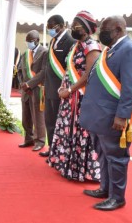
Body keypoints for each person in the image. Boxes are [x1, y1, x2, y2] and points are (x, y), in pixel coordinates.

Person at [80, 15, 132, 211]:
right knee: (103, 154)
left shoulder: (130, 49)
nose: (101, 33)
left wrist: (122, 115)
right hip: (99, 117)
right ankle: (105, 188)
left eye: (105, 30)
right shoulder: (110, 50)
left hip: (114, 117)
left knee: (116, 158)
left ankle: (117, 197)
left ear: (118, 29)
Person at [47, 11, 101, 182]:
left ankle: (82, 170)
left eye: (76, 26)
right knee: (68, 130)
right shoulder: (75, 46)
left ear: (85, 29)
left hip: (81, 98)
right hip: (69, 97)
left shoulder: (92, 47)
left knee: (81, 132)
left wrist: (69, 90)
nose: (72, 28)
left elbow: (88, 75)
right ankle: (67, 165)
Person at [39, 15, 76, 157]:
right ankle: (52, 148)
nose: (49, 30)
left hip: (61, 89)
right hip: (49, 88)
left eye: (51, 27)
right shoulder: (52, 41)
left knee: (60, 122)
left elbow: (70, 67)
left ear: (61, 26)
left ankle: (62, 150)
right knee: (49, 120)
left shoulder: (70, 41)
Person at [17, 30, 48, 151]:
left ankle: (40, 140)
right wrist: (22, 84)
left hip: (37, 88)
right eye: (27, 41)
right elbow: (19, 70)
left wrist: (29, 84)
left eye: (30, 41)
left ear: (37, 40)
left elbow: (44, 72)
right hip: (25, 90)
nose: (28, 43)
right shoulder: (25, 54)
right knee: (26, 116)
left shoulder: (44, 52)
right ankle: (28, 138)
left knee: (38, 116)